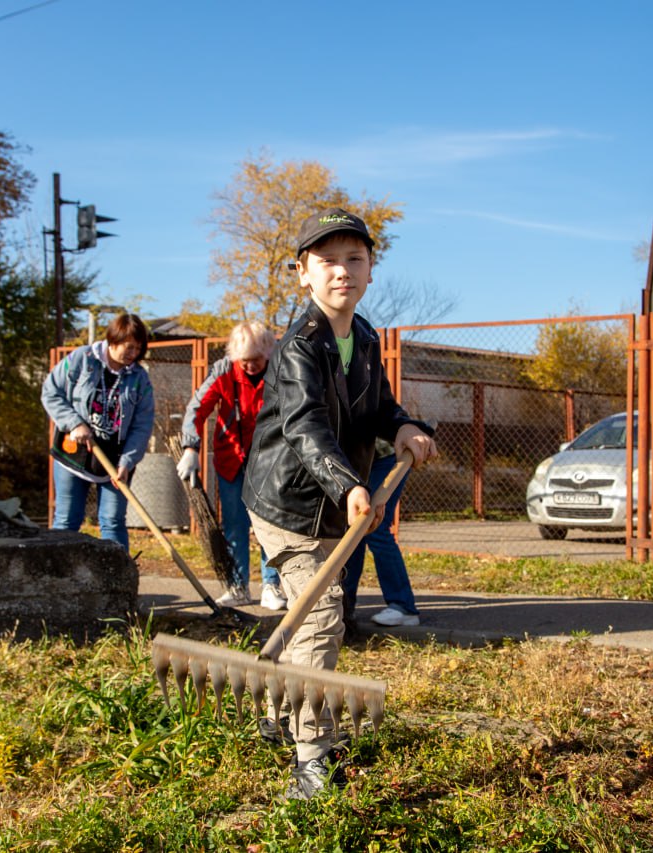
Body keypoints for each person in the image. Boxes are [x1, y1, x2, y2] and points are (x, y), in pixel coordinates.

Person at [242, 207, 436, 799]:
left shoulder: (366, 337)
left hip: (332, 501)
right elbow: (305, 427)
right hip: (287, 503)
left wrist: (402, 426)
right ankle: (310, 759)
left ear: (371, 270)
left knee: (313, 614)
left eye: (355, 259)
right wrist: (350, 483)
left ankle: (277, 709)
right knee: (323, 617)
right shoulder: (299, 346)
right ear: (303, 273)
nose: (342, 271)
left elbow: (375, 407)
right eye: (326, 261)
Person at [176, 321, 286, 609]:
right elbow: (197, 409)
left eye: (256, 360)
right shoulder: (223, 370)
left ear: (268, 353)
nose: (250, 366)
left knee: (269, 525)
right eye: (244, 361)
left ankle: (272, 585)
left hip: (270, 461)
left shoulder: (282, 370)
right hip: (230, 459)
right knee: (234, 525)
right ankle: (237, 586)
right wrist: (190, 446)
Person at [41, 312, 154, 550]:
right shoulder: (82, 359)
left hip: (114, 462)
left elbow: (142, 424)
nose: (133, 354)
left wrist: (128, 462)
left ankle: (118, 581)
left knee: (113, 521)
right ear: (113, 340)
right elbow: (51, 392)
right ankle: (59, 577)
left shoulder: (139, 378)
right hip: (74, 454)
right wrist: (73, 423)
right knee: (67, 519)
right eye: (129, 348)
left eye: (138, 349)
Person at [340, 439, 421, 628]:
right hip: (358, 459)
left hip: (386, 456)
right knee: (354, 528)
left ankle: (403, 606)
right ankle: (345, 606)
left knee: (375, 528)